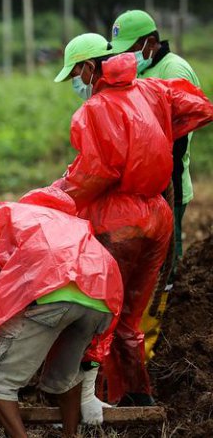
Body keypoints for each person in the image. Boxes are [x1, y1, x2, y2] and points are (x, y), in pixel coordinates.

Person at [52, 33, 213, 407]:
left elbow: (97, 173)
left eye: (76, 72)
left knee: (101, 313)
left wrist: (57, 196)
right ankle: (137, 398)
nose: (77, 82)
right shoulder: (152, 90)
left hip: (119, 224)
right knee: (130, 318)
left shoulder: (94, 110)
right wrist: (154, 136)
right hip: (157, 219)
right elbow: (202, 107)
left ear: (90, 68)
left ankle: (99, 400)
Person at [0, 187, 123, 438]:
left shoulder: (9, 212)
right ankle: (71, 435)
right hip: (102, 299)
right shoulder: (76, 224)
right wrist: (88, 390)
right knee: (67, 375)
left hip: (53, 291)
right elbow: (96, 347)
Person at [110, 9, 202, 361]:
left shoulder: (173, 70)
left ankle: (162, 335)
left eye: (130, 46)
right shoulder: (142, 68)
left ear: (149, 42)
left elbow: (178, 139)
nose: (124, 54)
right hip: (142, 190)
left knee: (166, 262)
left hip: (170, 184)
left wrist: (161, 188)